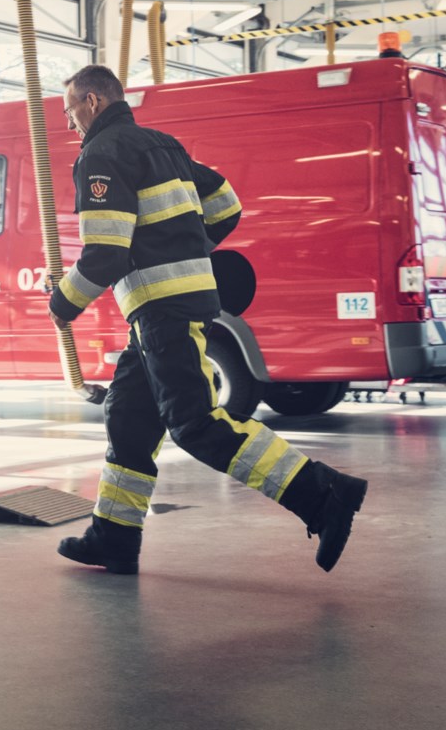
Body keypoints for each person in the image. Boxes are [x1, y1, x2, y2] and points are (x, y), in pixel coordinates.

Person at [47, 65, 369, 575]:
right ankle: (114, 536)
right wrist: (188, 249)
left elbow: (105, 253)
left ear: (91, 101)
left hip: (162, 309)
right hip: (169, 309)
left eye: (69, 113)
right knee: (129, 419)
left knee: (196, 424)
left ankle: (322, 493)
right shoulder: (164, 145)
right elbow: (226, 204)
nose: (69, 126)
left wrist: (62, 303)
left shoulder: (101, 155)